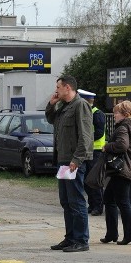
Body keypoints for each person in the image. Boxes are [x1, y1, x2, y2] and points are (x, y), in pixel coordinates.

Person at [45, 75, 93, 252]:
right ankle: (70, 237)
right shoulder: (64, 106)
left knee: (77, 201)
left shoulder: (80, 105)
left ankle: (81, 240)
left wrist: (77, 159)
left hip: (74, 162)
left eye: (58, 87)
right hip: (63, 160)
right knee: (66, 201)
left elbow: (86, 136)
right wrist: (51, 104)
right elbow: (51, 120)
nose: (56, 90)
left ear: (67, 87)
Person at [99, 100, 131, 245]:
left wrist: (107, 146)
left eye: (116, 113)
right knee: (110, 199)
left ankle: (130, 236)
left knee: (122, 202)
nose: (114, 115)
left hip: (123, 169)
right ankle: (112, 234)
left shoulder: (123, 127)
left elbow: (122, 145)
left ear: (125, 114)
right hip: (129, 168)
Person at [79, 89, 106, 216]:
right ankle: (91, 204)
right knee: (86, 180)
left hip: (96, 151)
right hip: (86, 150)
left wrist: (85, 140)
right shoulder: (85, 112)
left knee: (94, 180)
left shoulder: (97, 114)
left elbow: (99, 133)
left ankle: (98, 206)